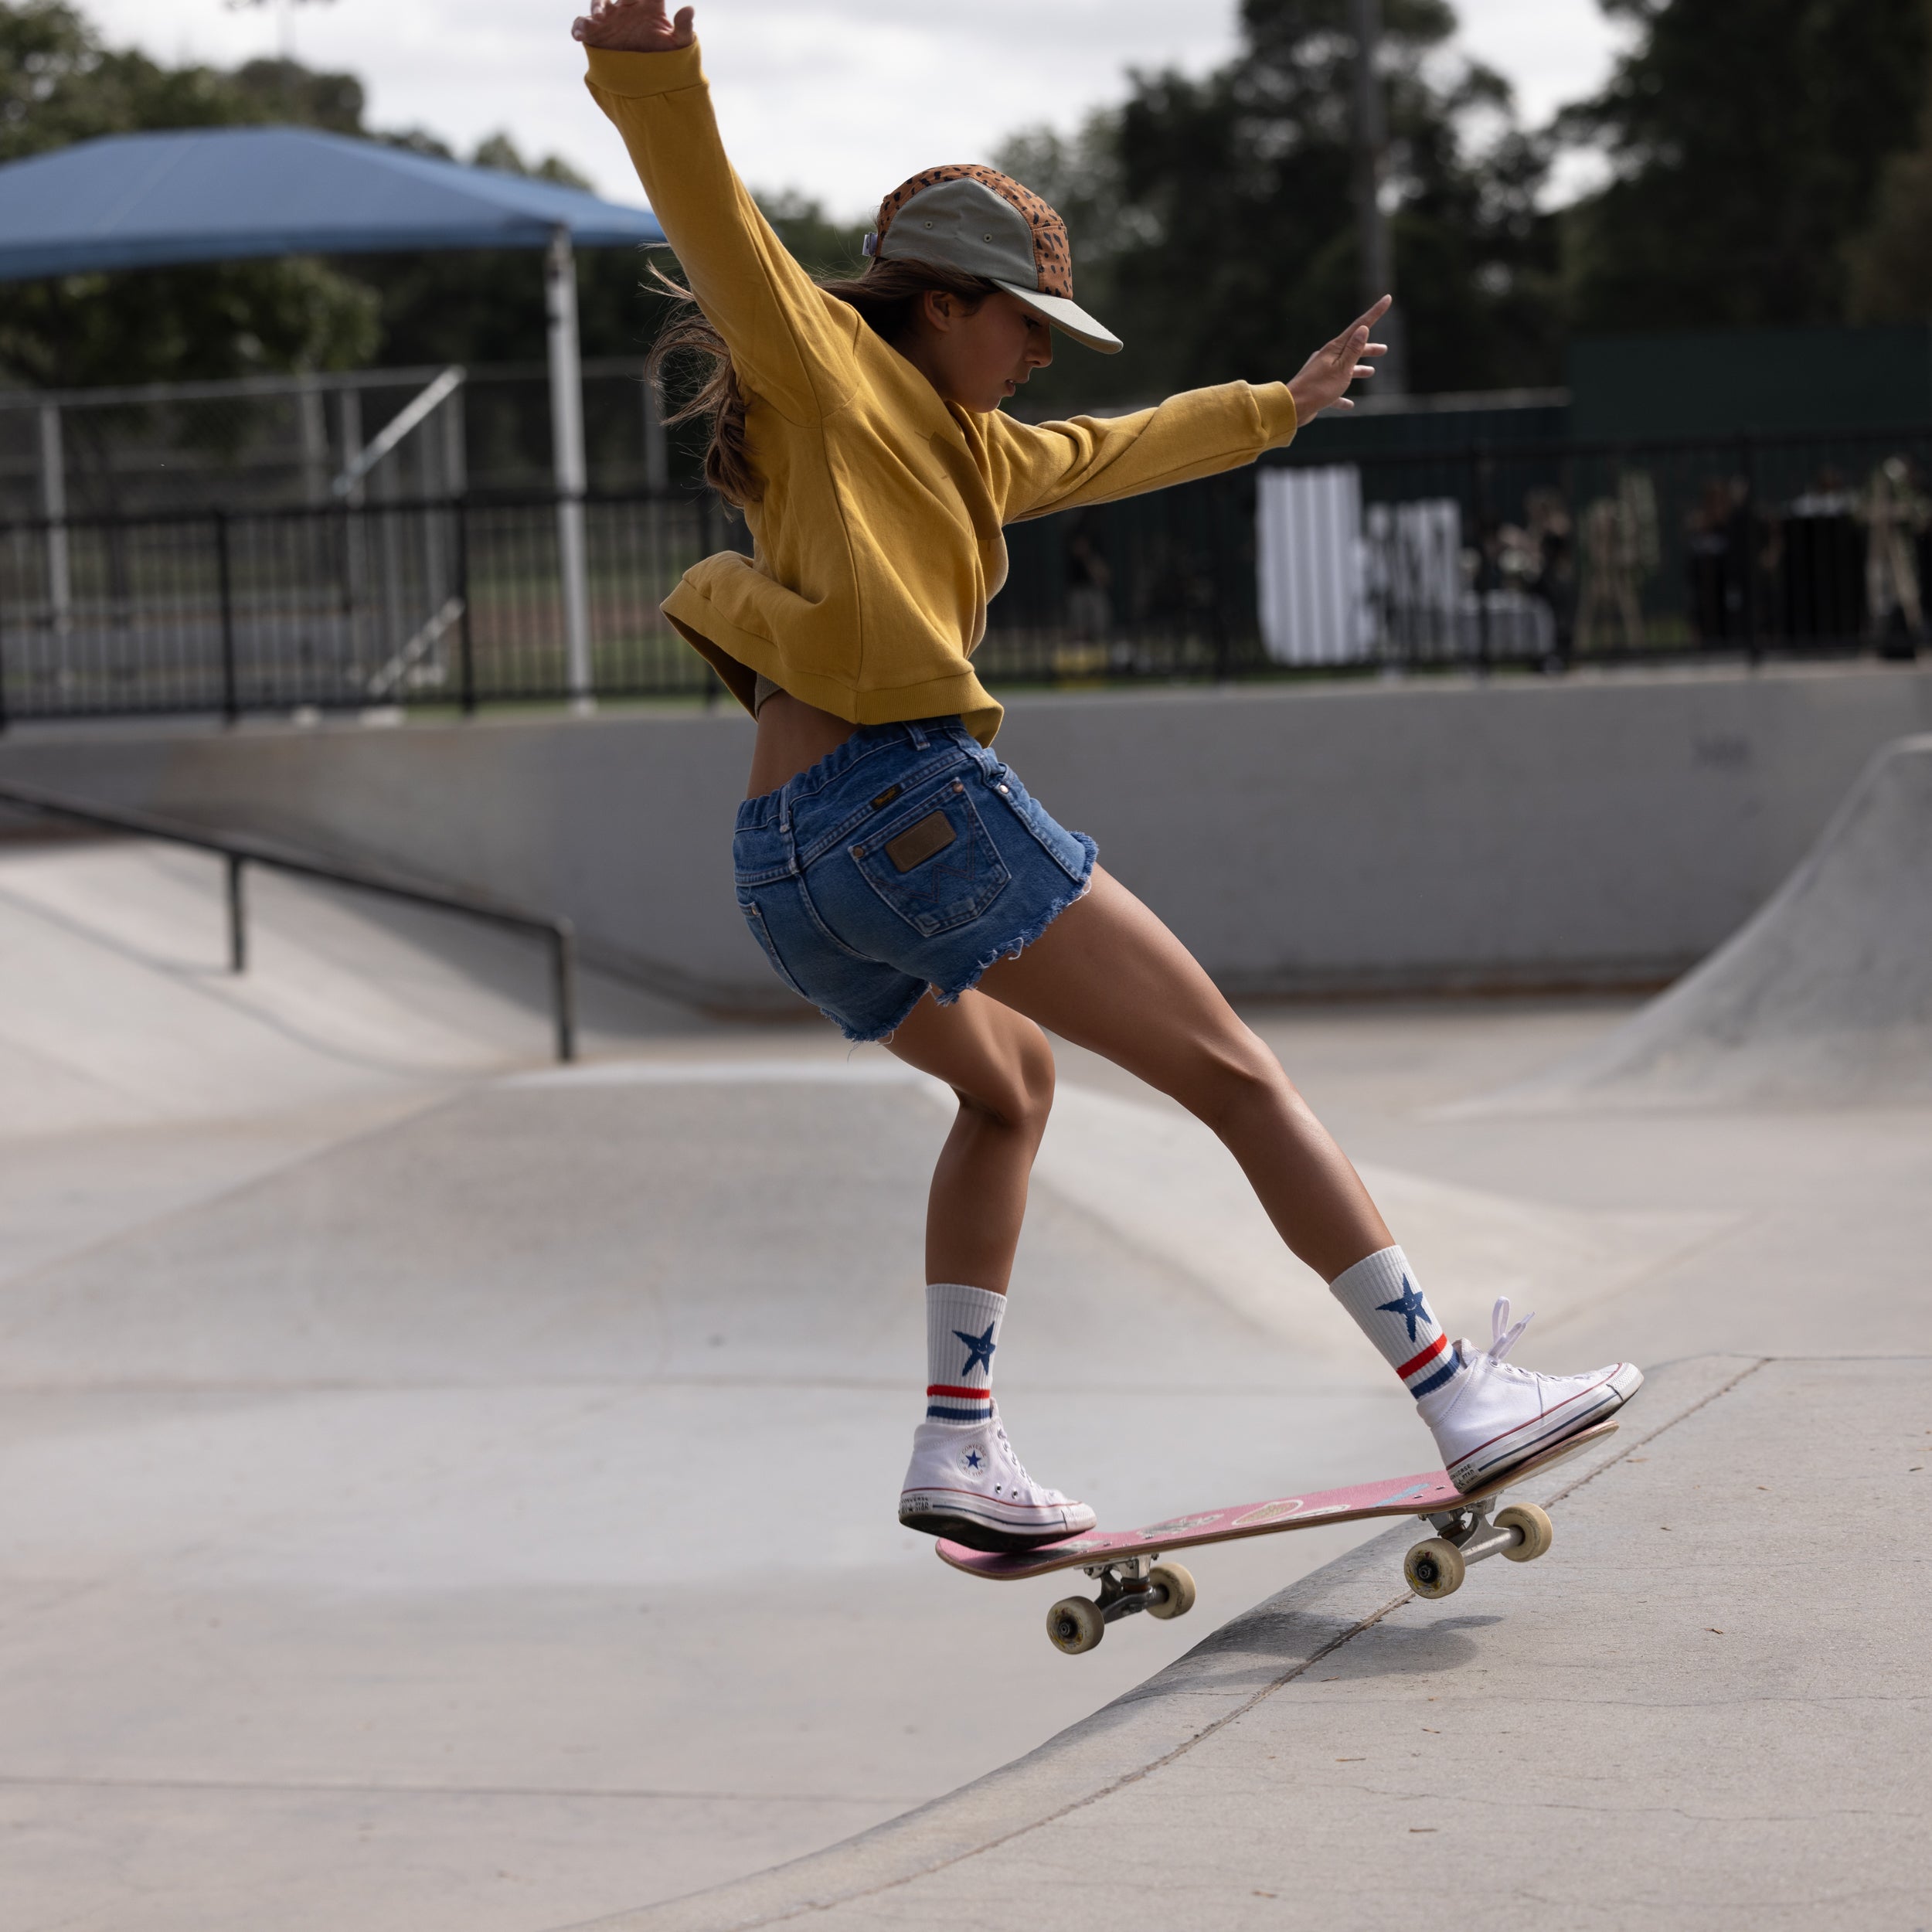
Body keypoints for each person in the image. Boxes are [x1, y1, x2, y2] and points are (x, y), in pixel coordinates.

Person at [572, 0, 1643, 1553]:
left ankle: (957, 1442)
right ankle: (1447, 1382)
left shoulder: (976, 447)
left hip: (784, 866)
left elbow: (1115, 450)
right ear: (935, 306)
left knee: (1008, 1088)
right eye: (1016, 328)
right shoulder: (825, 371)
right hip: (903, 805)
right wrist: (651, 75)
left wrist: (1277, 406)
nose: (1029, 363)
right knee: (1233, 1069)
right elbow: (721, 226)